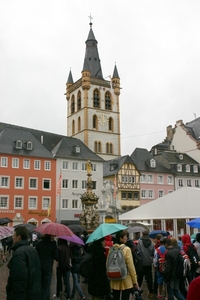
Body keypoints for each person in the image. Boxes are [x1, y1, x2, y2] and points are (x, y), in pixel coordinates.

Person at [6, 226, 41, 300]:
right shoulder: (32, 250)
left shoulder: (19, 253)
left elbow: (19, 279)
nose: (12, 237)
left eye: (14, 235)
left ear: (19, 237)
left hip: (24, 295)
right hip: (34, 291)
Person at [108, 230, 139, 300]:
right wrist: (135, 281)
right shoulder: (126, 249)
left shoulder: (111, 249)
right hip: (125, 278)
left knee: (115, 297)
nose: (127, 238)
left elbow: (107, 264)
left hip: (114, 277)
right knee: (125, 297)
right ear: (120, 238)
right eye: (125, 236)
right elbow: (131, 266)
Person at [36, 234, 58, 300]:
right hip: (48, 267)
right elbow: (56, 256)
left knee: (40, 285)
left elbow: (36, 254)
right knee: (47, 286)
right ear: (50, 236)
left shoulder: (39, 244)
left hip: (39, 266)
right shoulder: (53, 244)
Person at [137, 230, 155, 298]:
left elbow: (138, 251)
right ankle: (151, 292)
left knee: (140, 278)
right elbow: (153, 252)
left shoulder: (140, 242)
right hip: (149, 262)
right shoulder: (151, 242)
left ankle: (138, 291)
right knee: (149, 278)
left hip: (141, 262)